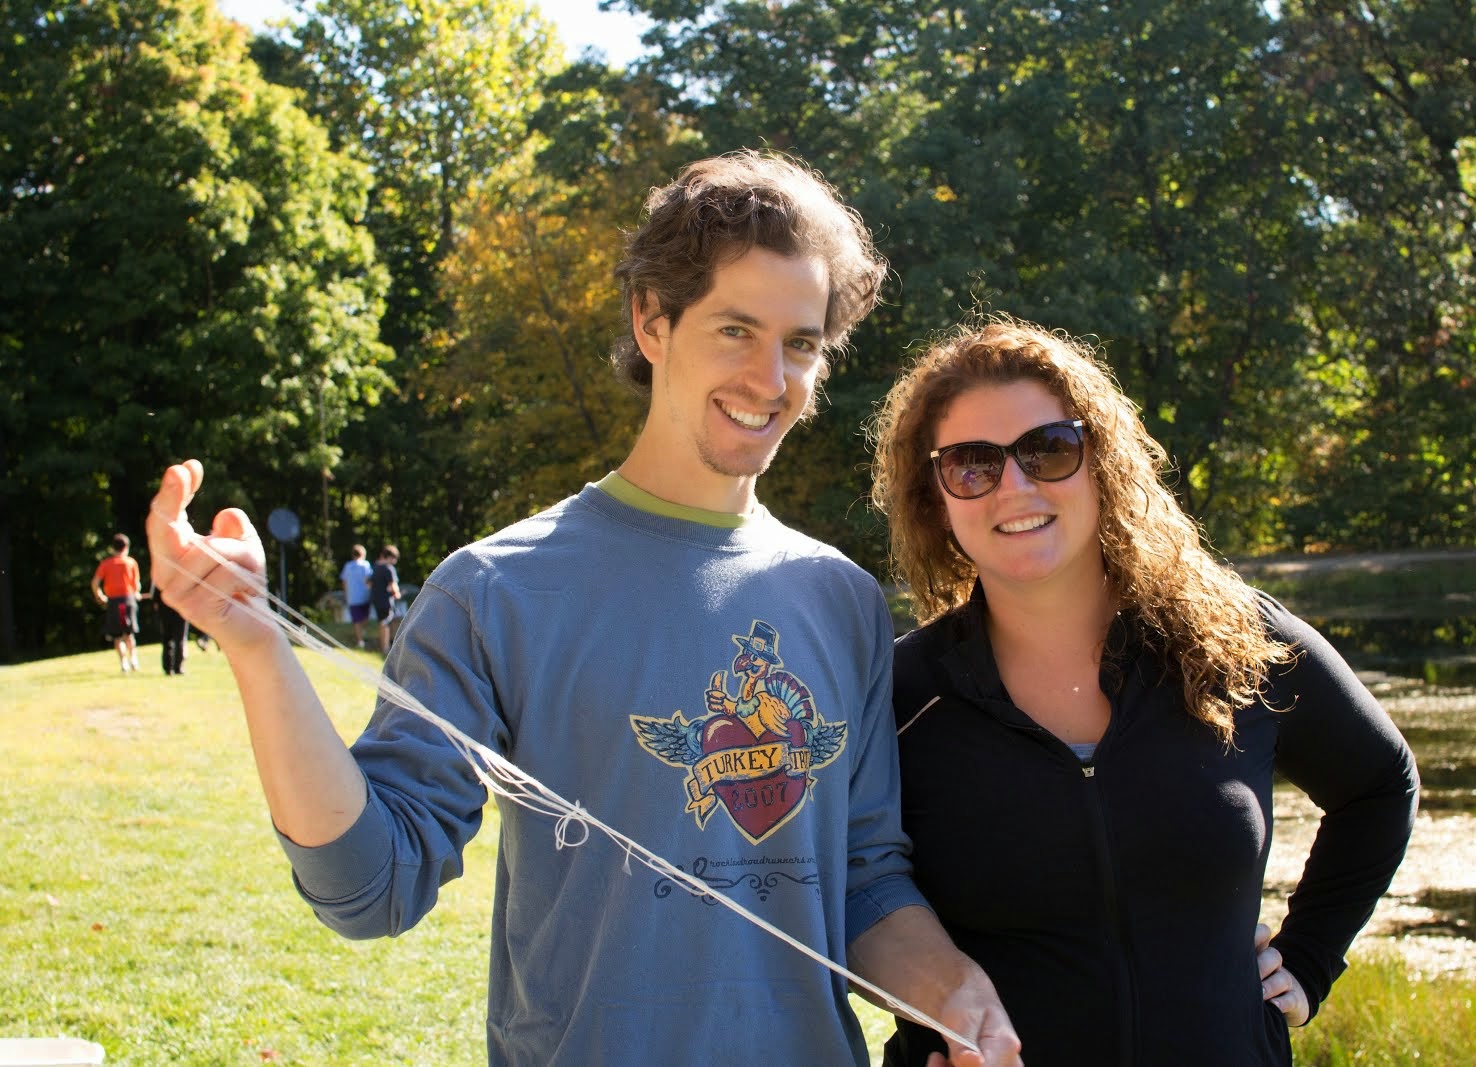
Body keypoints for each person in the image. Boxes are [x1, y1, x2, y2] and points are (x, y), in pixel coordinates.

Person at [147, 151, 1020, 1067]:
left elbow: (865, 880)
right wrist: (260, 650)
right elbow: (371, 887)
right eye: (735, 329)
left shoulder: (841, 598)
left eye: (800, 344)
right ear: (652, 320)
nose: (771, 378)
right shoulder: (495, 590)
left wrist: (956, 992)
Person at [869, 320, 1419, 1066]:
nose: (1016, 486)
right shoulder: (901, 696)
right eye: (972, 465)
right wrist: (932, 1019)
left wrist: (1311, 956)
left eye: (1049, 449)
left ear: (1103, 463)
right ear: (935, 498)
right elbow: (847, 887)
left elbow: (1381, 785)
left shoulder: (1231, 641)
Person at [92, 533, 147, 672]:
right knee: (129, 633)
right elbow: (137, 585)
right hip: (128, 600)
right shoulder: (131, 562)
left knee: (117, 635)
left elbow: (95, 583)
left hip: (113, 602)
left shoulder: (106, 564)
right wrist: (136, 593)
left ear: (113, 548)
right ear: (126, 547)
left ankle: (123, 663)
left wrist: (100, 596)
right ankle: (133, 659)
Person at [366, 544, 401, 654]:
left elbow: (368, 583)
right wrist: (397, 594)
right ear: (390, 557)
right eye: (394, 558)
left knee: (381, 622)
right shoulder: (389, 569)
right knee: (386, 623)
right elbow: (393, 586)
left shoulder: (375, 568)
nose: (395, 561)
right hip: (386, 601)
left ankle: (384, 646)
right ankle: (386, 647)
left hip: (376, 600)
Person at [339, 544, 373, 649]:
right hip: (365, 596)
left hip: (352, 597)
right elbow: (369, 580)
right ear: (362, 554)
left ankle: (360, 640)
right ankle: (360, 636)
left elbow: (344, 581)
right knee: (365, 617)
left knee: (356, 620)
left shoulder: (347, 566)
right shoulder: (366, 565)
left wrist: (346, 593)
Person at [153, 585, 189, 675]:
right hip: (179, 609)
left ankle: (168, 667)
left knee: (167, 639)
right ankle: (178, 667)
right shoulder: (182, 578)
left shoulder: (162, 578)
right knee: (179, 639)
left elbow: (156, 598)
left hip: (166, 609)